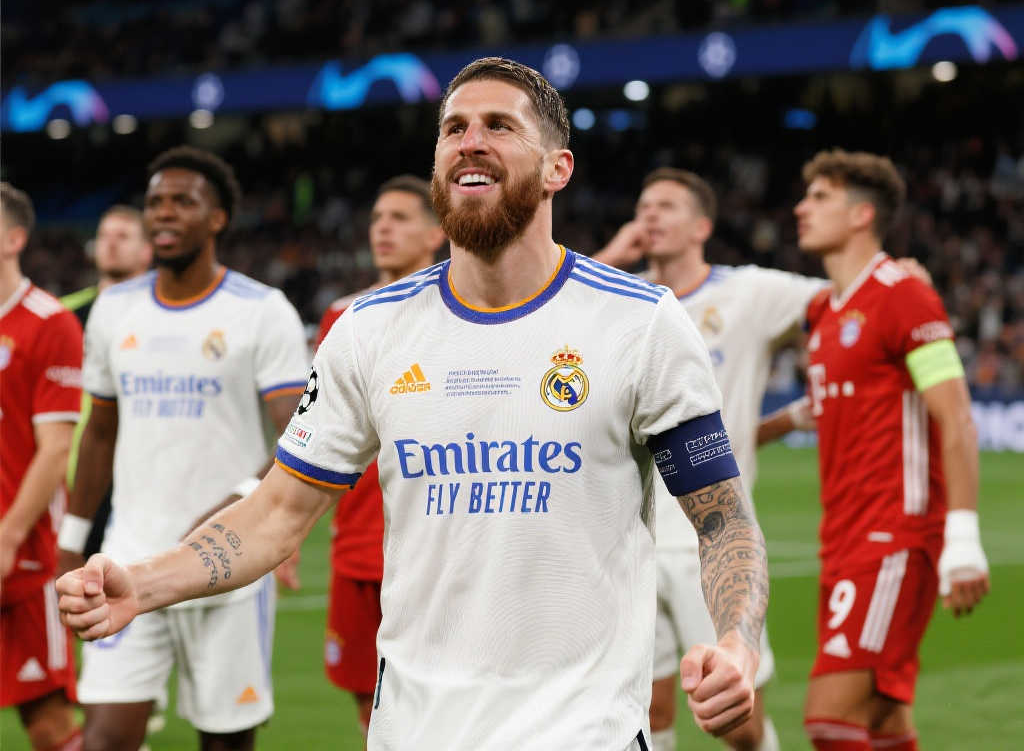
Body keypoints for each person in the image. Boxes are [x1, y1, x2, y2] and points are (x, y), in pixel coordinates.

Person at [58, 58, 769, 751]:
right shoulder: (369, 330)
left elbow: (723, 519)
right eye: (453, 128)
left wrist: (738, 642)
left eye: (499, 126)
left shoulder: (641, 323)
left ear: (558, 168)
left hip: (582, 732)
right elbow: (277, 514)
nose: (471, 141)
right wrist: (141, 583)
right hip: (414, 729)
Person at [59, 147, 310, 751]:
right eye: (155, 203)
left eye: (182, 202)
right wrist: (73, 537)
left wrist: (241, 502)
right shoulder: (115, 309)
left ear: (218, 218)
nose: (164, 213)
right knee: (104, 740)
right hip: (125, 560)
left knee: (224, 741)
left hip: (226, 563)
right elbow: (99, 432)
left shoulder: (261, 311)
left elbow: (298, 432)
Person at [760, 149, 989, 751]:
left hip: (895, 536)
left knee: (828, 720)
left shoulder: (904, 295)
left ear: (863, 214)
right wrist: (751, 433)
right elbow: (823, 404)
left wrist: (962, 536)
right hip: (843, 538)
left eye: (819, 197)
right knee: (884, 723)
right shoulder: (824, 311)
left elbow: (955, 415)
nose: (801, 208)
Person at [594, 167, 829, 751]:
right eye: (643, 205)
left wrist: (899, 273)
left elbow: (844, 296)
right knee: (643, 711)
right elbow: (545, 320)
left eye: (666, 205)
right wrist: (611, 258)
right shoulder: (618, 301)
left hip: (713, 538)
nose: (650, 214)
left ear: (702, 226)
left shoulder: (748, 293)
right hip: (628, 543)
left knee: (737, 721)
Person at [316, 175, 445, 738]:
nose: (383, 229)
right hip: (357, 539)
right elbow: (321, 434)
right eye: (376, 219)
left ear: (437, 232)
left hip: (430, 539)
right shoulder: (342, 317)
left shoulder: (460, 311)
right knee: (370, 707)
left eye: (399, 218)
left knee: (440, 709)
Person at [0, 182, 83, 750]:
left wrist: (8, 537)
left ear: (15, 239)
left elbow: (55, 449)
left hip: (24, 558)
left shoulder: (49, 323)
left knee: (48, 724)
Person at [60, 205, 153, 558]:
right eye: (104, 236)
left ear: (147, 251)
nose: (111, 244)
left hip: (143, 472)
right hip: (76, 469)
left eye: (123, 236)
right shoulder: (63, 316)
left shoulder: (165, 317)